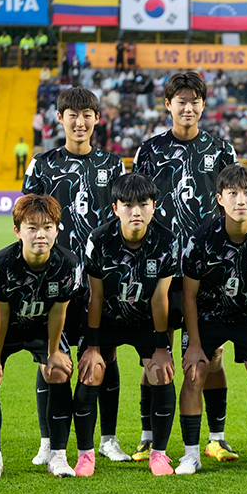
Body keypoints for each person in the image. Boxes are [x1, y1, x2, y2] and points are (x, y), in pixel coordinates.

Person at [133, 71, 239, 462]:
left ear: (203, 105)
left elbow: (232, 204)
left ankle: (218, 436)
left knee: (210, 356)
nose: (188, 107)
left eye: (195, 101)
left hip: (207, 269)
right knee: (152, 355)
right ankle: (147, 436)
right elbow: (136, 205)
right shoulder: (149, 151)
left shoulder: (222, 150)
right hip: (159, 268)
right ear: (168, 105)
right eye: (181, 100)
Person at [22, 87, 128, 465]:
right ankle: (48, 441)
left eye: (87, 115)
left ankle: (109, 439)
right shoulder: (43, 164)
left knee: (105, 354)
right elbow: (26, 220)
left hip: (101, 279)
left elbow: (121, 222)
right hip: (55, 280)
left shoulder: (112, 165)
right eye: (72, 115)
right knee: (50, 357)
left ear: (97, 119)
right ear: (61, 118)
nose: (80, 122)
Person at [176, 165, 247, 475]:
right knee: (195, 372)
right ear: (220, 199)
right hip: (207, 315)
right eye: (233, 194)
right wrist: (194, 345)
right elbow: (189, 296)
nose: (241, 201)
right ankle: (191, 455)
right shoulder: (201, 239)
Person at [76, 173, 179, 476]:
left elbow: (161, 298)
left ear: (154, 206)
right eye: (128, 205)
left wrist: (162, 347)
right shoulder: (99, 238)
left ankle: (158, 454)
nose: (136, 212)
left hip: (145, 320)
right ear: (115, 207)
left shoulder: (166, 240)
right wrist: (93, 345)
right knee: (91, 370)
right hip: (106, 318)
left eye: (143, 205)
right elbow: (94, 296)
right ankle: (85, 455)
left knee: (161, 373)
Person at [0, 194, 79, 479]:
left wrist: (54, 353)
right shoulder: (1, 264)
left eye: (47, 227)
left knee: (58, 371)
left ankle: (57, 455)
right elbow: (2, 315)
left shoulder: (68, 264)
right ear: (17, 231)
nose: (40, 235)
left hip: (42, 319)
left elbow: (58, 314)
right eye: (32, 228)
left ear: (58, 228)